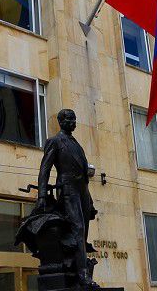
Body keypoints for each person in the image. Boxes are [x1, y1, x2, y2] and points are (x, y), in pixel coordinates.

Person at [37, 109, 98, 287]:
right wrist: (42, 195)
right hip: (67, 189)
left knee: (82, 233)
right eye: (70, 119)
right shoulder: (55, 141)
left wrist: (91, 201)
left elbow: (85, 176)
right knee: (77, 228)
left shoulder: (77, 144)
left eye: (75, 119)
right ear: (61, 121)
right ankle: (83, 275)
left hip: (82, 191)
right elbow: (44, 170)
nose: (74, 122)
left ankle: (75, 266)